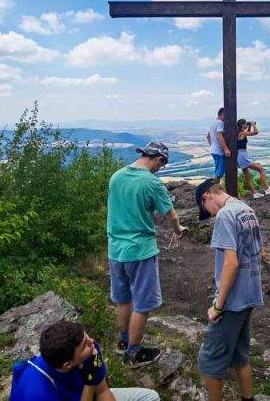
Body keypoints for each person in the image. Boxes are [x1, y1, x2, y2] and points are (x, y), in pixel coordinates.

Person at [107, 141, 187, 368]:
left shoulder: (117, 176)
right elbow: (170, 215)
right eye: (163, 164)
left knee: (123, 299)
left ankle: (123, 342)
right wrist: (178, 230)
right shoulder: (152, 183)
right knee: (142, 304)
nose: (161, 169)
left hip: (115, 249)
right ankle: (133, 354)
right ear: (159, 159)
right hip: (140, 250)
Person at [194, 179, 264, 401]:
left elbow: (231, 263)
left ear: (207, 196)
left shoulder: (225, 215)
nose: (212, 215)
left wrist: (218, 305)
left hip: (233, 301)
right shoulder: (246, 209)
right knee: (239, 355)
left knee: (208, 361)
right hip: (250, 294)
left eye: (207, 210)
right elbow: (260, 252)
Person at [9, 319, 160, 401]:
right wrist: (89, 383)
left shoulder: (89, 351)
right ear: (67, 364)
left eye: (87, 337)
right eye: (85, 345)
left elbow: (102, 392)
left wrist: (93, 379)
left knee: (151, 397)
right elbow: (92, 385)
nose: (92, 342)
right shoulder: (38, 393)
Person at [236, 118, 270, 199]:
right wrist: (253, 124)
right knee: (261, 169)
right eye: (245, 124)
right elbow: (256, 132)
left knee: (247, 176)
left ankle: (254, 193)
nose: (246, 125)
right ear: (243, 125)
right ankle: (267, 189)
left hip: (240, 156)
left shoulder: (239, 133)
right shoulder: (242, 133)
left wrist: (250, 125)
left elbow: (248, 132)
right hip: (242, 156)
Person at [206, 107, 230, 181]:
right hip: (219, 152)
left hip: (214, 150)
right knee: (219, 173)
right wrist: (226, 149)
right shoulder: (220, 123)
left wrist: (213, 145)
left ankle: (214, 190)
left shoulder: (213, 123)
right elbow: (220, 136)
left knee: (218, 171)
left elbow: (208, 137)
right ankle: (213, 190)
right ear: (223, 114)